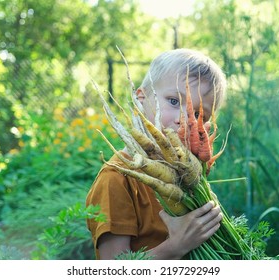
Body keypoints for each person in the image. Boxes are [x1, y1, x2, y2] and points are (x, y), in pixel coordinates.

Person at [86, 48, 227, 260]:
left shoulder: (188, 175)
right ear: (140, 97)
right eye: (173, 101)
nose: (185, 119)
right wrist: (177, 246)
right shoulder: (116, 179)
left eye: (198, 114)